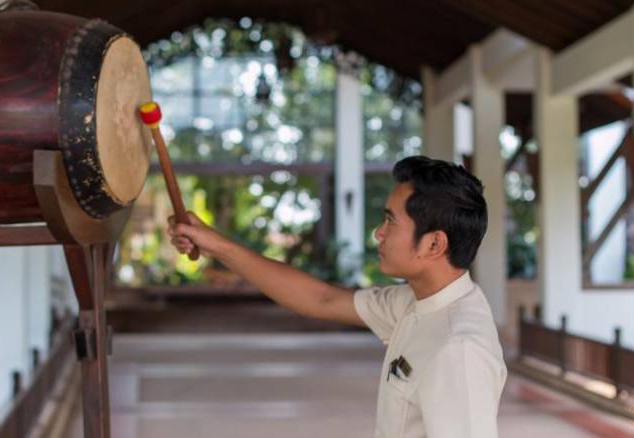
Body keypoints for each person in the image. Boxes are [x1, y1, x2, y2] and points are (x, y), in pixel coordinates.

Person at [167, 155, 507, 438]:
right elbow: (321, 299)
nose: (379, 233)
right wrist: (214, 243)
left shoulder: (459, 348)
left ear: (434, 244)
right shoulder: (414, 303)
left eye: (391, 221)